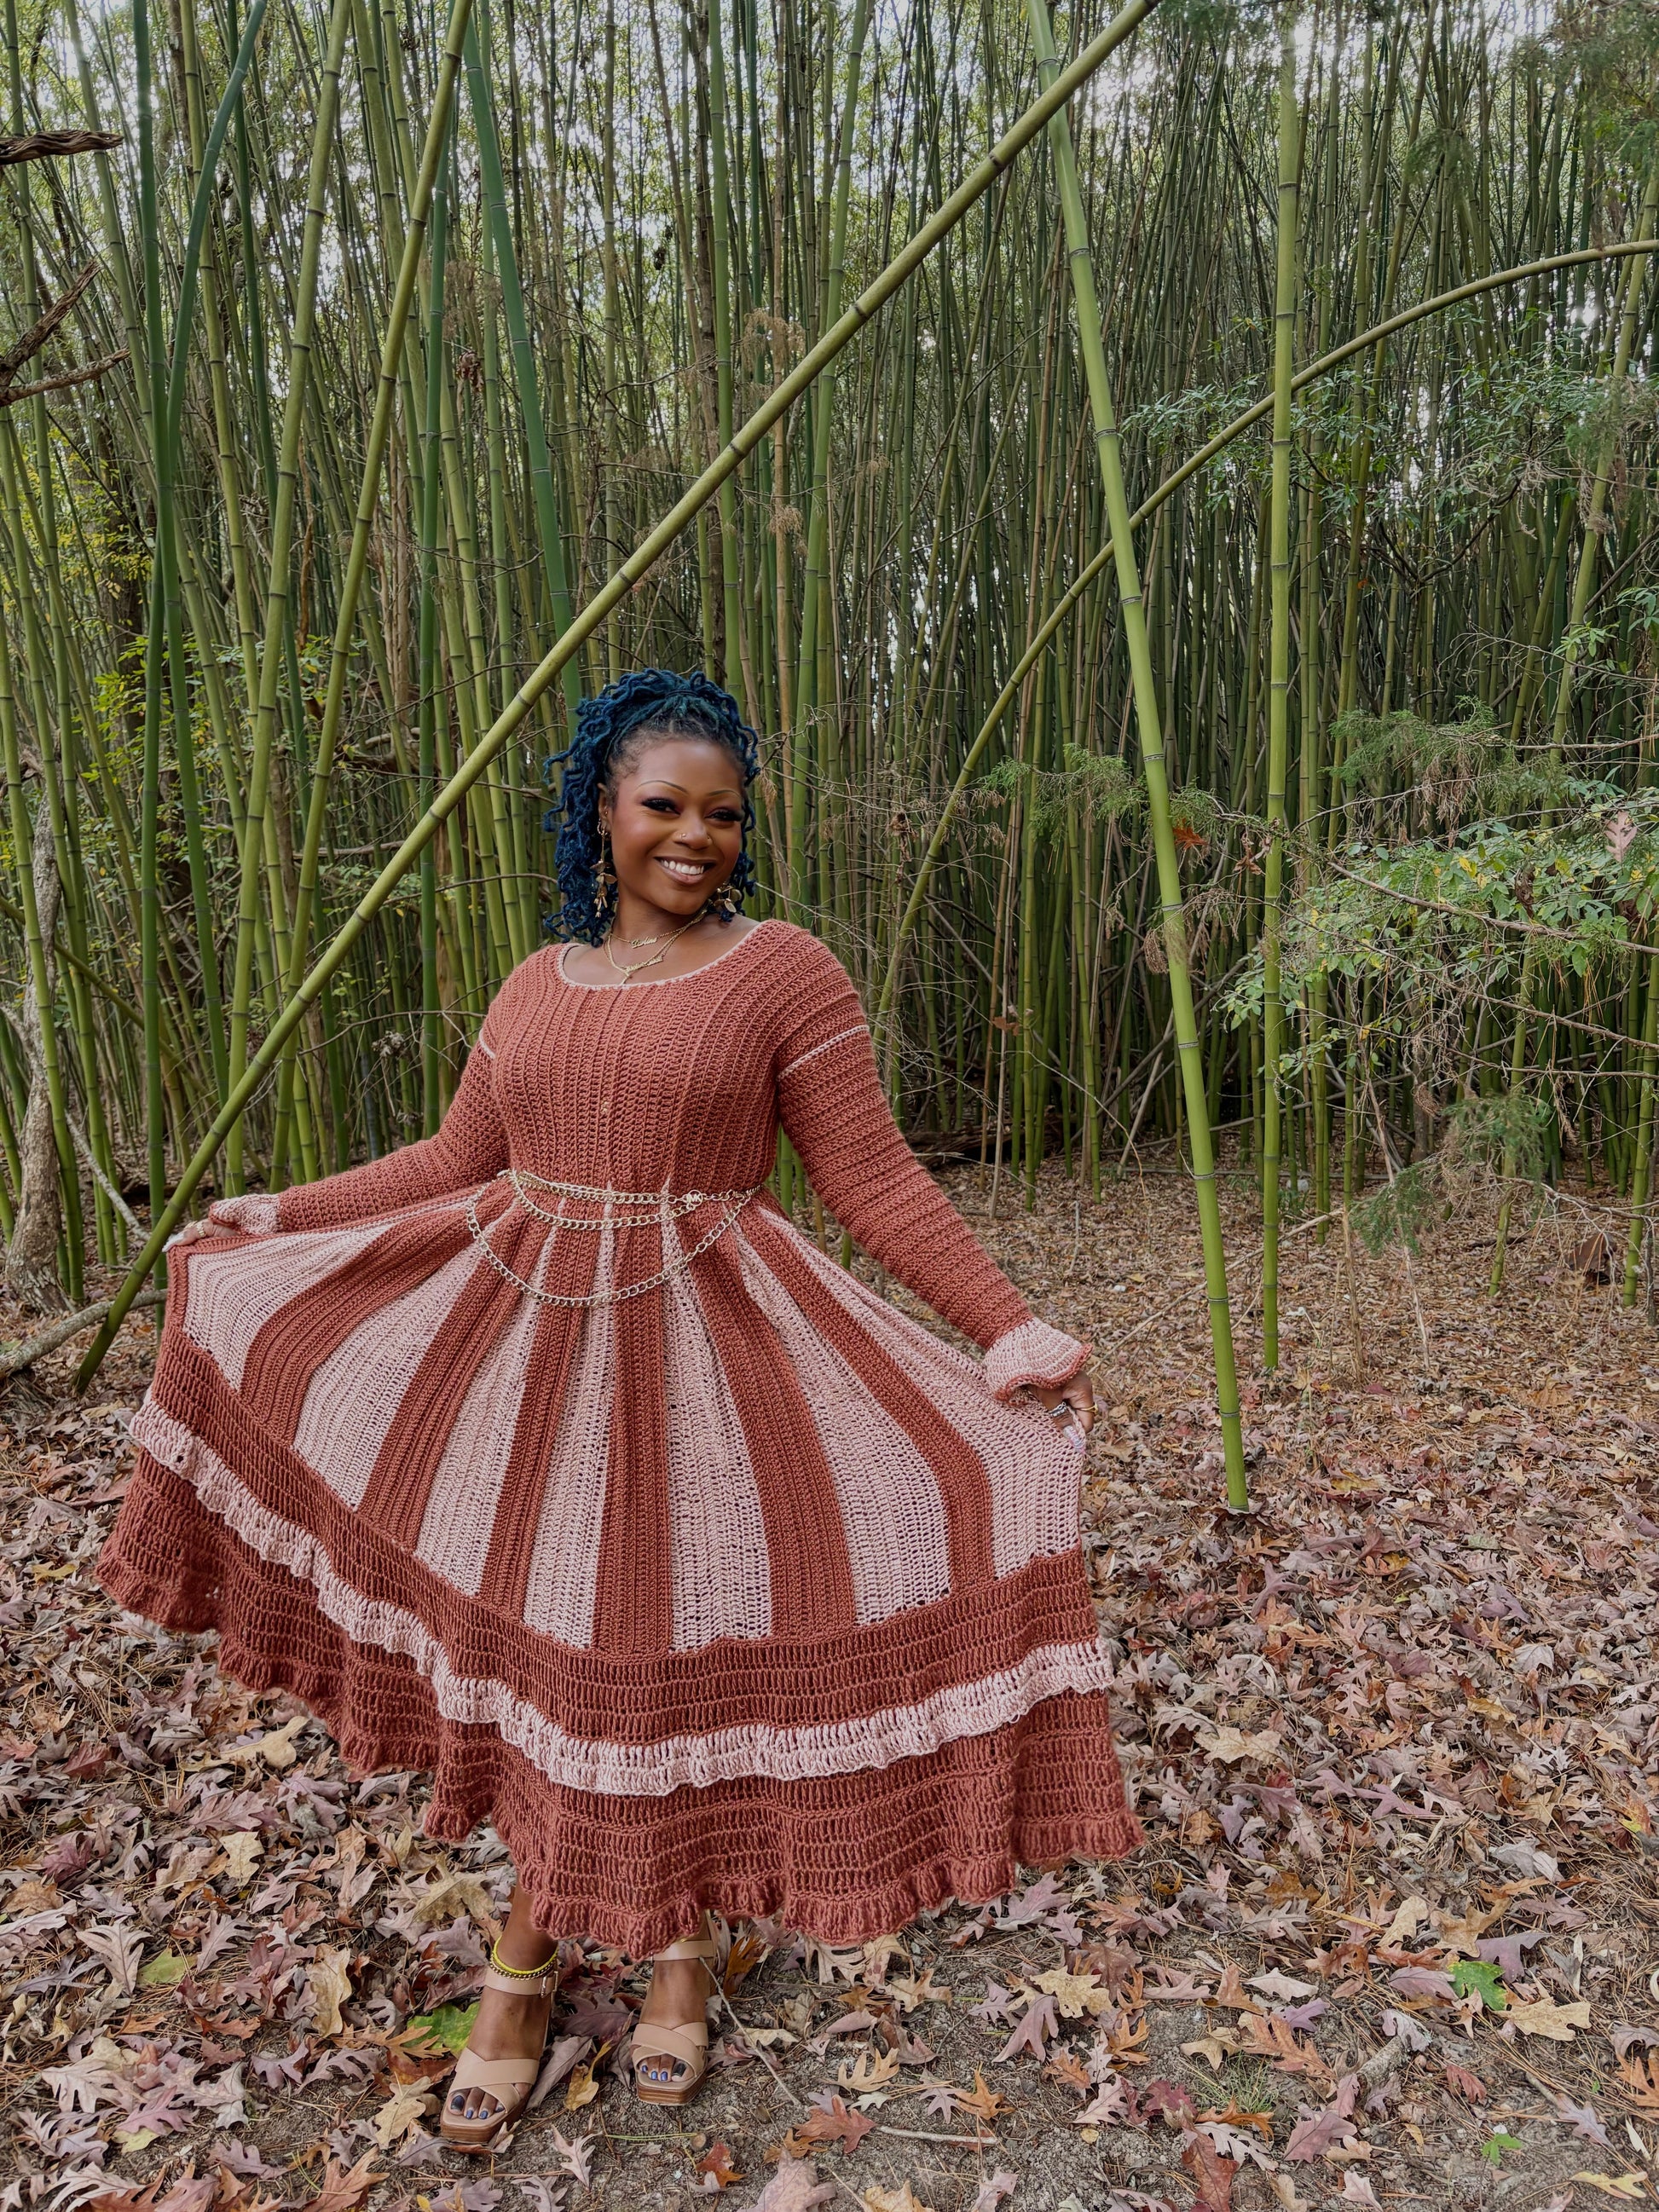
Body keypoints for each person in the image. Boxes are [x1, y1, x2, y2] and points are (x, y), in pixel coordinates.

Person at [98, 667, 1141, 2152]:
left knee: (648, 1660)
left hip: (714, 1359)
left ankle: (634, 1961)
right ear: (601, 808)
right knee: (568, 1666)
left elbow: (870, 1176)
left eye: (725, 814)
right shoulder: (537, 983)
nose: (696, 836)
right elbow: (451, 1159)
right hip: (525, 1363)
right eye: (665, 805)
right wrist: (286, 1212)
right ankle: (563, 1959)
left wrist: (1005, 1323)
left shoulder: (784, 973)